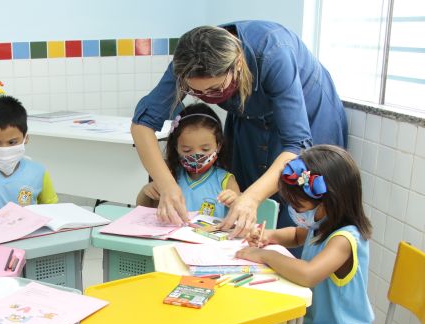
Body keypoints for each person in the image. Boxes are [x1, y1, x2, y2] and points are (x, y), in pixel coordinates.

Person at [131, 22, 347, 234]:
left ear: (238, 65)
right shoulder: (188, 61)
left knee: (298, 200)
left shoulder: (274, 53)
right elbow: (142, 125)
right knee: (241, 203)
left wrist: (252, 198)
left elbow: (297, 145)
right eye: (196, 91)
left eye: (215, 89)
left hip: (308, 116)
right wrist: (167, 185)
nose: (206, 97)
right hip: (249, 116)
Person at [233, 145, 373, 324]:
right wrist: (269, 236)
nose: (296, 213)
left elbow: (309, 274)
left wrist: (265, 255)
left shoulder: (345, 240)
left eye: (300, 207)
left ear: (330, 201)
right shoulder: (324, 224)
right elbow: (298, 235)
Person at [136, 103, 239, 218]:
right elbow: (142, 209)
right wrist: (146, 192)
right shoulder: (168, 177)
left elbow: (240, 213)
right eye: (187, 150)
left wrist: (235, 201)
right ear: (176, 147)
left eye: (205, 149)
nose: (196, 156)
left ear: (218, 146)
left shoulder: (226, 181)